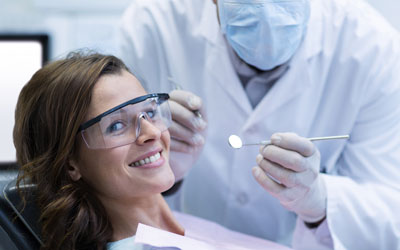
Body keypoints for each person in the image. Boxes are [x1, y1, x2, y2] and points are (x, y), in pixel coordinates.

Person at [116, 0, 400, 249]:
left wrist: (319, 201)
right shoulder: (152, 27)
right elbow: (98, 181)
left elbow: (390, 212)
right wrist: (163, 174)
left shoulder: (372, 48)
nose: (267, 10)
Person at [12, 52, 290, 250]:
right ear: (71, 163)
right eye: (117, 125)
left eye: (149, 111)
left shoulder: (176, 228)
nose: (152, 133)